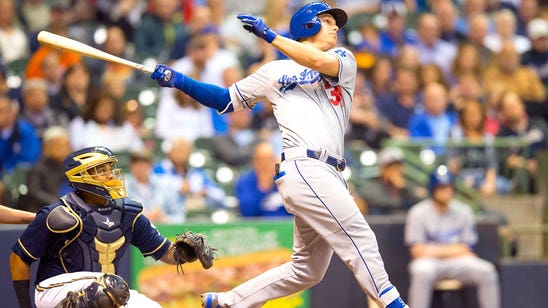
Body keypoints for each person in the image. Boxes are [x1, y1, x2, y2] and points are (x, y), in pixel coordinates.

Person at [150, 2, 408, 307]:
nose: (336, 26)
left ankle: (226, 302)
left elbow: (314, 60)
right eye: (327, 21)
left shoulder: (343, 58)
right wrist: (180, 81)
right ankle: (394, 304)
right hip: (304, 166)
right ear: (308, 26)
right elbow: (225, 99)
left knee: (307, 270)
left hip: (329, 173)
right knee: (359, 235)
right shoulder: (275, 70)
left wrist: (271, 37)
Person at [9, 146, 213, 307]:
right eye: (102, 171)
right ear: (82, 175)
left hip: (108, 290)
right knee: (109, 287)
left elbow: (166, 253)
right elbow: (19, 257)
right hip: (53, 290)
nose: (110, 175)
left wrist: (185, 252)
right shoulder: (59, 214)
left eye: (110, 169)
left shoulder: (128, 213)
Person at [405, 166, 501, 308]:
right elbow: (417, 251)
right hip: (430, 263)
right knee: (421, 271)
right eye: (441, 187)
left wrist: (433, 250)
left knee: (487, 271)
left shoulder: (464, 211)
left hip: (458, 263)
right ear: (433, 189)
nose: (446, 191)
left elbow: (468, 248)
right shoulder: (417, 212)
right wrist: (454, 250)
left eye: (448, 187)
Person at [361, 147, 426, 215]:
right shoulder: (372, 186)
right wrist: (402, 199)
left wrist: (404, 188)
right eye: (391, 167)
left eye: (398, 167)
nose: (395, 171)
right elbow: (382, 201)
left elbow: (422, 199)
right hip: (380, 223)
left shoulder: (407, 185)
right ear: (382, 169)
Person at [235, 141, 290, 218]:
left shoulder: (284, 178)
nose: (265, 164)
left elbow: (296, 211)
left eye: (269, 160)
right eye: (261, 160)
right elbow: (247, 213)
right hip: (258, 227)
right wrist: (263, 188)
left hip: (286, 226)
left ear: (275, 161)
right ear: (254, 162)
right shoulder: (245, 181)